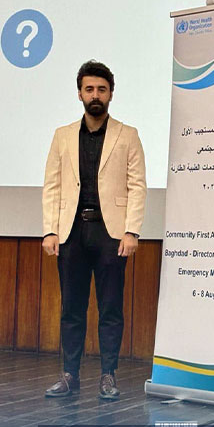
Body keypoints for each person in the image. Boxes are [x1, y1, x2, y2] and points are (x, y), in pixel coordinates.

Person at [41, 60, 147, 400]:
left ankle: (108, 375)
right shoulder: (62, 136)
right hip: (71, 232)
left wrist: (132, 231)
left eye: (102, 89)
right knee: (71, 308)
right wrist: (50, 230)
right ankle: (69, 375)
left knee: (110, 307)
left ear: (111, 94)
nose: (95, 95)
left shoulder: (128, 135)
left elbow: (137, 186)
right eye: (89, 89)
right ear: (80, 94)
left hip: (110, 234)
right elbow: (52, 186)